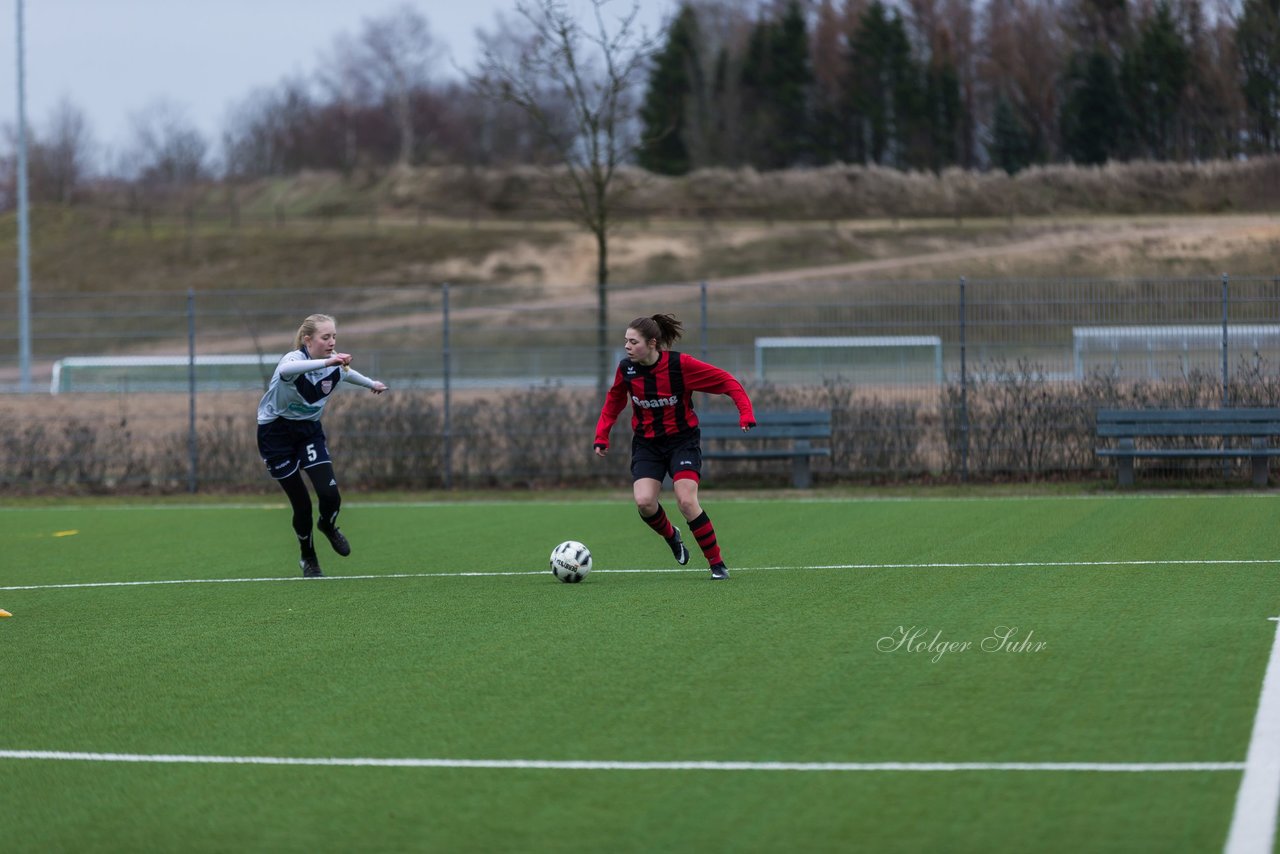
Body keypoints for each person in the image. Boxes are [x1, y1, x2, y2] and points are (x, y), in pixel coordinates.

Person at [594, 313, 755, 580]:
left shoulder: (680, 366)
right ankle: (672, 536)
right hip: (647, 444)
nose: (627, 347)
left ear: (652, 343)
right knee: (644, 502)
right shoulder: (626, 369)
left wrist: (745, 413)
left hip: (682, 441)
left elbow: (727, 381)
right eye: (626, 341)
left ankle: (716, 563)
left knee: (686, 500)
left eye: (633, 342)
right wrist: (602, 435)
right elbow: (613, 402)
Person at [256, 314, 387, 578]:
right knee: (302, 505)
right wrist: (329, 360)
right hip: (276, 433)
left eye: (334, 336)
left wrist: (370, 384)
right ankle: (308, 557)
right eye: (325, 337)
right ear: (308, 340)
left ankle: (327, 525)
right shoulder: (294, 360)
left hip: (309, 432)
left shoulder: (334, 364)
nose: (332, 342)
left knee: (330, 496)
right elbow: (284, 373)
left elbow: (346, 374)